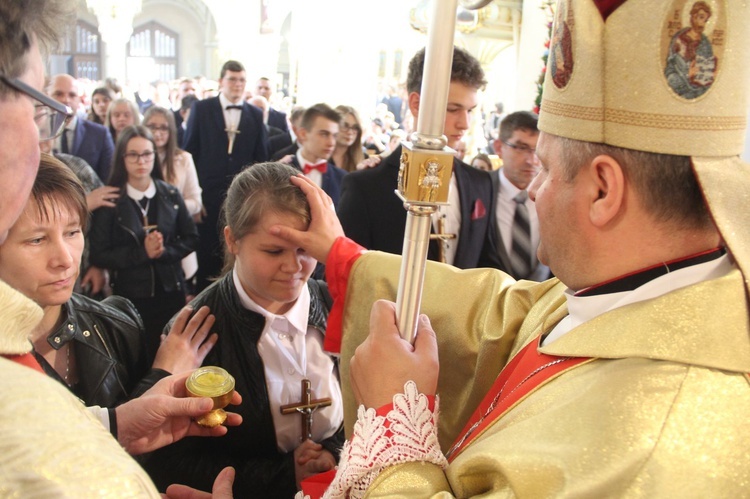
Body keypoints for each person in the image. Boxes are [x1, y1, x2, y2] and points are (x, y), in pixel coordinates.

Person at [272, 0, 750, 496]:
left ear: (604, 191)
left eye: (544, 167)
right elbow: (502, 317)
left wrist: (395, 422)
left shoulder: (657, 449)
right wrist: (346, 256)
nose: (533, 189)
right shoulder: (635, 289)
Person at [0, 0, 237, 495]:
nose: (65, 257)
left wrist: (119, 422)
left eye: (72, 233)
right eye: (40, 103)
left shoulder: (112, 322)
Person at [145, 162, 344, 497]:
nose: (294, 267)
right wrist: (283, 476)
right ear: (232, 240)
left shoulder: (340, 303)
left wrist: (334, 451)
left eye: (305, 249)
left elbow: (371, 405)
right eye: (274, 250)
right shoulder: (193, 331)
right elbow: (168, 461)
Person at [0, 153, 215, 407]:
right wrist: (159, 378)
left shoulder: (117, 326)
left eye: (72, 232)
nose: (65, 259)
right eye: (37, 240)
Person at [338, 46, 501, 270]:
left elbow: (487, 266)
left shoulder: (481, 182)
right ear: (416, 104)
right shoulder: (366, 186)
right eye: (453, 109)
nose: (464, 124)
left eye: (470, 111)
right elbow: (348, 272)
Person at [90, 125, 199, 361]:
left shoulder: (170, 194)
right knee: (138, 356)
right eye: (134, 154)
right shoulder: (111, 199)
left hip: (171, 289)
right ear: (123, 158)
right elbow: (99, 254)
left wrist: (163, 252)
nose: (141, 161)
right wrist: (143, 253)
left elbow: (191, 238)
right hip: (131, 294)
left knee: (171, 353)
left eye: (147, 154)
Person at [184, 60, 269, 291]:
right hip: (206, 199)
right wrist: (194, 197)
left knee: (238, 253)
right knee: (207, 253)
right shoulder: (202, 109)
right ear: (221, 81)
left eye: (242, 80)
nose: (237, 84)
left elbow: (260, 160)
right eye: (232, 79)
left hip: (241, 200)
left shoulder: (255, 114)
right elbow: (189, 153)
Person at [144, 105, 204, 297]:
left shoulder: (183, 159)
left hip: (175, 236)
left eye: (163, 128)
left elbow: (196, 201)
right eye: (152, 127)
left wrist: (169, 208)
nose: (157, 133)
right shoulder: (138, 158)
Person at [489, 111, 550, 281]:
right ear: (499, 148)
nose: (531, 160)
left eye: (538, 150)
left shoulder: (554, 199)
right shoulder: (479, 191)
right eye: (521, 148)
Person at [48, 73, 115, 182]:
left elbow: (109, 180)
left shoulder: (100, 134)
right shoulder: (38, 134)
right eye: (59, 94)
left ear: (79, 100)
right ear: (48, 96)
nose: (66, 100)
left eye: (72, 95)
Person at [287, 103, 348, 208]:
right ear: (303, 134)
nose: (331, 142)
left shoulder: (342, 178)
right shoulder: (279, 173)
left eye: (334, 136)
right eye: (324, 134)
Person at [665, 1, 716, 99]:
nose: (702, 23)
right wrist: (687, 73)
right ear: (693, 16)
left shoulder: (705, 43)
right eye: (701, 17)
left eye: (705, 20)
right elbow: (671, 66)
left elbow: (708, 67)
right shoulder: (680, 38)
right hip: (679, 82)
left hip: (700, 86)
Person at [331, 105, 366, 173]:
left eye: (355, 127)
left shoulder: (363, 159)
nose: (350, 132)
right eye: (345, 125)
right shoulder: (321, 157)